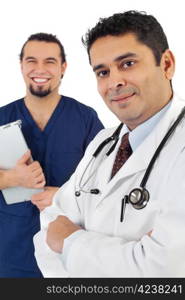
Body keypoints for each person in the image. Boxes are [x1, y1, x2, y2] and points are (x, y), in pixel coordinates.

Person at [34, 11, 185, 277]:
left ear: (167, 64)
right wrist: (127, 256)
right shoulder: (103, 143)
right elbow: (48, 233)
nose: (114, 82)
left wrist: (69, 241)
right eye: (102, 72)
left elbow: (165, 271)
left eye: (127, 64)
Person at [0, 32, 104, 278]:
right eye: (32, 61)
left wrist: (63, 195)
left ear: (63, 67)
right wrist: (11, 179)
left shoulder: (85, 118)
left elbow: (109, 184)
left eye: (50, 61)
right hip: (10, 255)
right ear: (21, 66)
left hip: (68, 253)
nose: (40, 69)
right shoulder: (1, 117)